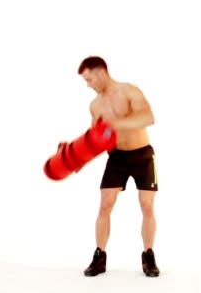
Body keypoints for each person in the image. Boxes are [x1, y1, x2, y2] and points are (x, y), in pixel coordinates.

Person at [76, 55, 160, 277]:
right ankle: (99, 257)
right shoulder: (95, 106)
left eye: (89, 79)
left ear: (101, 72)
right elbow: (94, 140)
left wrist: (115, 123)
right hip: (117, 158)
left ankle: (148, 256)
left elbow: (148, 117)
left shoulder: (129, 91)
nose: (88, 85)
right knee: (105, 205)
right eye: (85, 81)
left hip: (142, 155)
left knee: (147, 205)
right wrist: (75, 157)